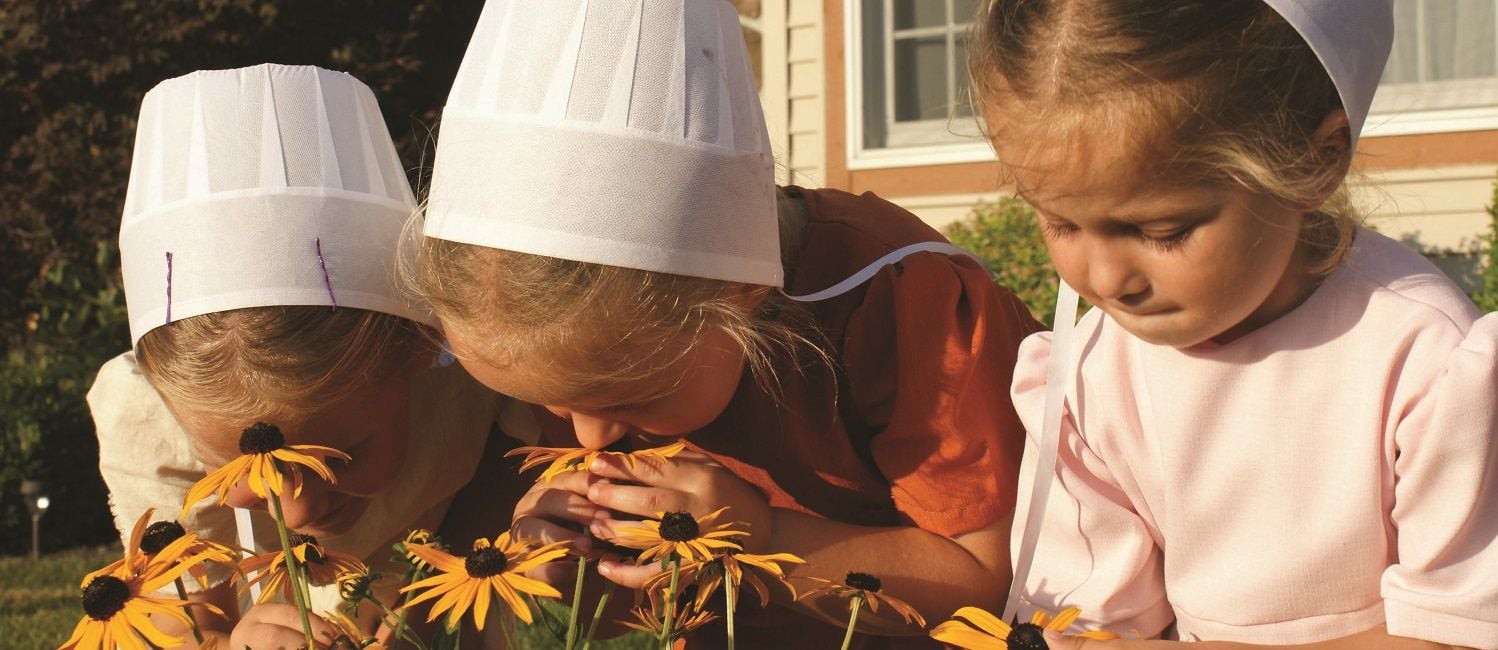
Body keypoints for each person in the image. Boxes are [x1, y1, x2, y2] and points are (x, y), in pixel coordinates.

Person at [411, 0, 1042, 647]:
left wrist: (759, 537)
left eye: (628, 397)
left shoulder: (909, 311)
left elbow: (982, 581)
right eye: (550, 404)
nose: (590, 439)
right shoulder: (612, 352)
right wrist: (567, 551)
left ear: (742, 291)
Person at [968, 1, 1498, 648]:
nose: (1107, 279)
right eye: (1060, 222)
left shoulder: (1424, 360)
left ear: (1316, 161)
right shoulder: (1089, 376)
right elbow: (1087, 618)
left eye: (1161, 230)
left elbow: (1458, 631)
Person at [89, 63, 529, 648]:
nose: (296, 516)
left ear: (420, 347)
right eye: (237, 470)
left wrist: (423, 619)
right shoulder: (151, 424)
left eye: (339, 455)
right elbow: (184, 624)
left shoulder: (478, 372)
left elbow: (505, 501)